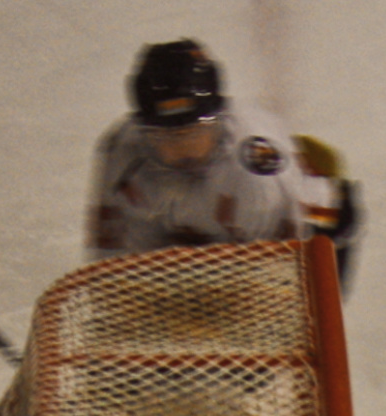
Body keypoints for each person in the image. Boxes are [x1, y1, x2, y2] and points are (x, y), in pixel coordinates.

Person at [85, 39, 363, 292]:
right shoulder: (123, 154)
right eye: (164, 136)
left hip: (312, 223)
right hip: (206, 238)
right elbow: (114, 274)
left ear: (221, 117)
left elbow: (282, 287)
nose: (183, 149)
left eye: (194, 132)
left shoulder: (257, 177)